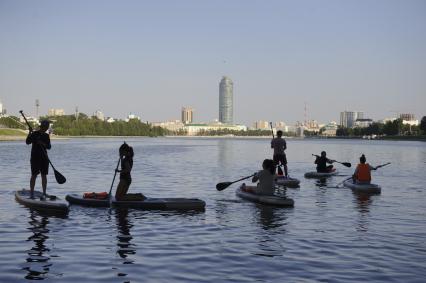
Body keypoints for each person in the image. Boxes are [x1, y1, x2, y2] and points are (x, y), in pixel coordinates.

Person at [26, 120, 51, 199]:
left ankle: (44, 193)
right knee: (34, 175)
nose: (46, 128)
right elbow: (27, 142)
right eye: (46, 127)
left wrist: (43, 143)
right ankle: (32, 193)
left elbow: (49, 147)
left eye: (47, 127)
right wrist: (29, 133)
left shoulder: (46, 136)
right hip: (35, 158)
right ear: (42, 127)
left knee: (44, 175)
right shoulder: (34, 134)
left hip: (44, 158)